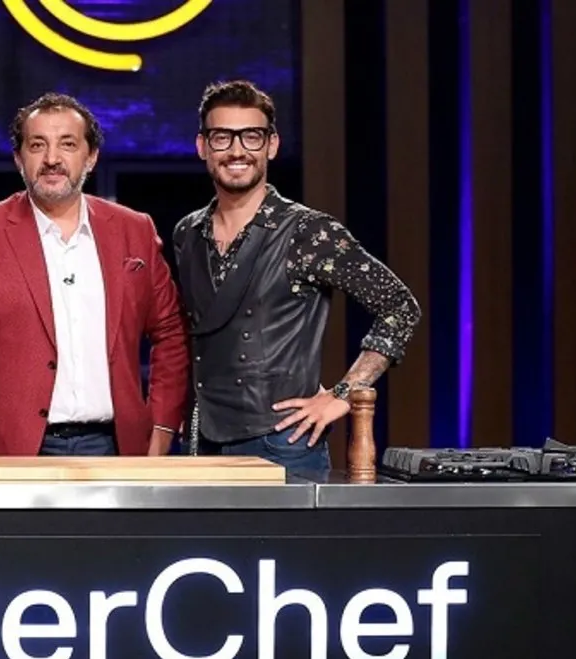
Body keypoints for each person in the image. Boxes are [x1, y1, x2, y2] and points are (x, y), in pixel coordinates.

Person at [0, 93, 189, 458]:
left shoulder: (134, 230)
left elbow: (171, 331)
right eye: (37, 145)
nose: (52, 159)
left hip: (115, 447)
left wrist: (162, 423)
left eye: (67, 144)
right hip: (7, 445)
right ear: (19, 158)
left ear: (91, 157)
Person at [172, 80, 421, 471]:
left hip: (282, 442)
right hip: (202, 442)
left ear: (271, 145)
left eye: (251, 136)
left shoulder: (309, 232)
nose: (237, 150)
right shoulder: (188, 232)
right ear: (202, 146)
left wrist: (343, 393)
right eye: (222, 137)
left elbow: (400, 306)